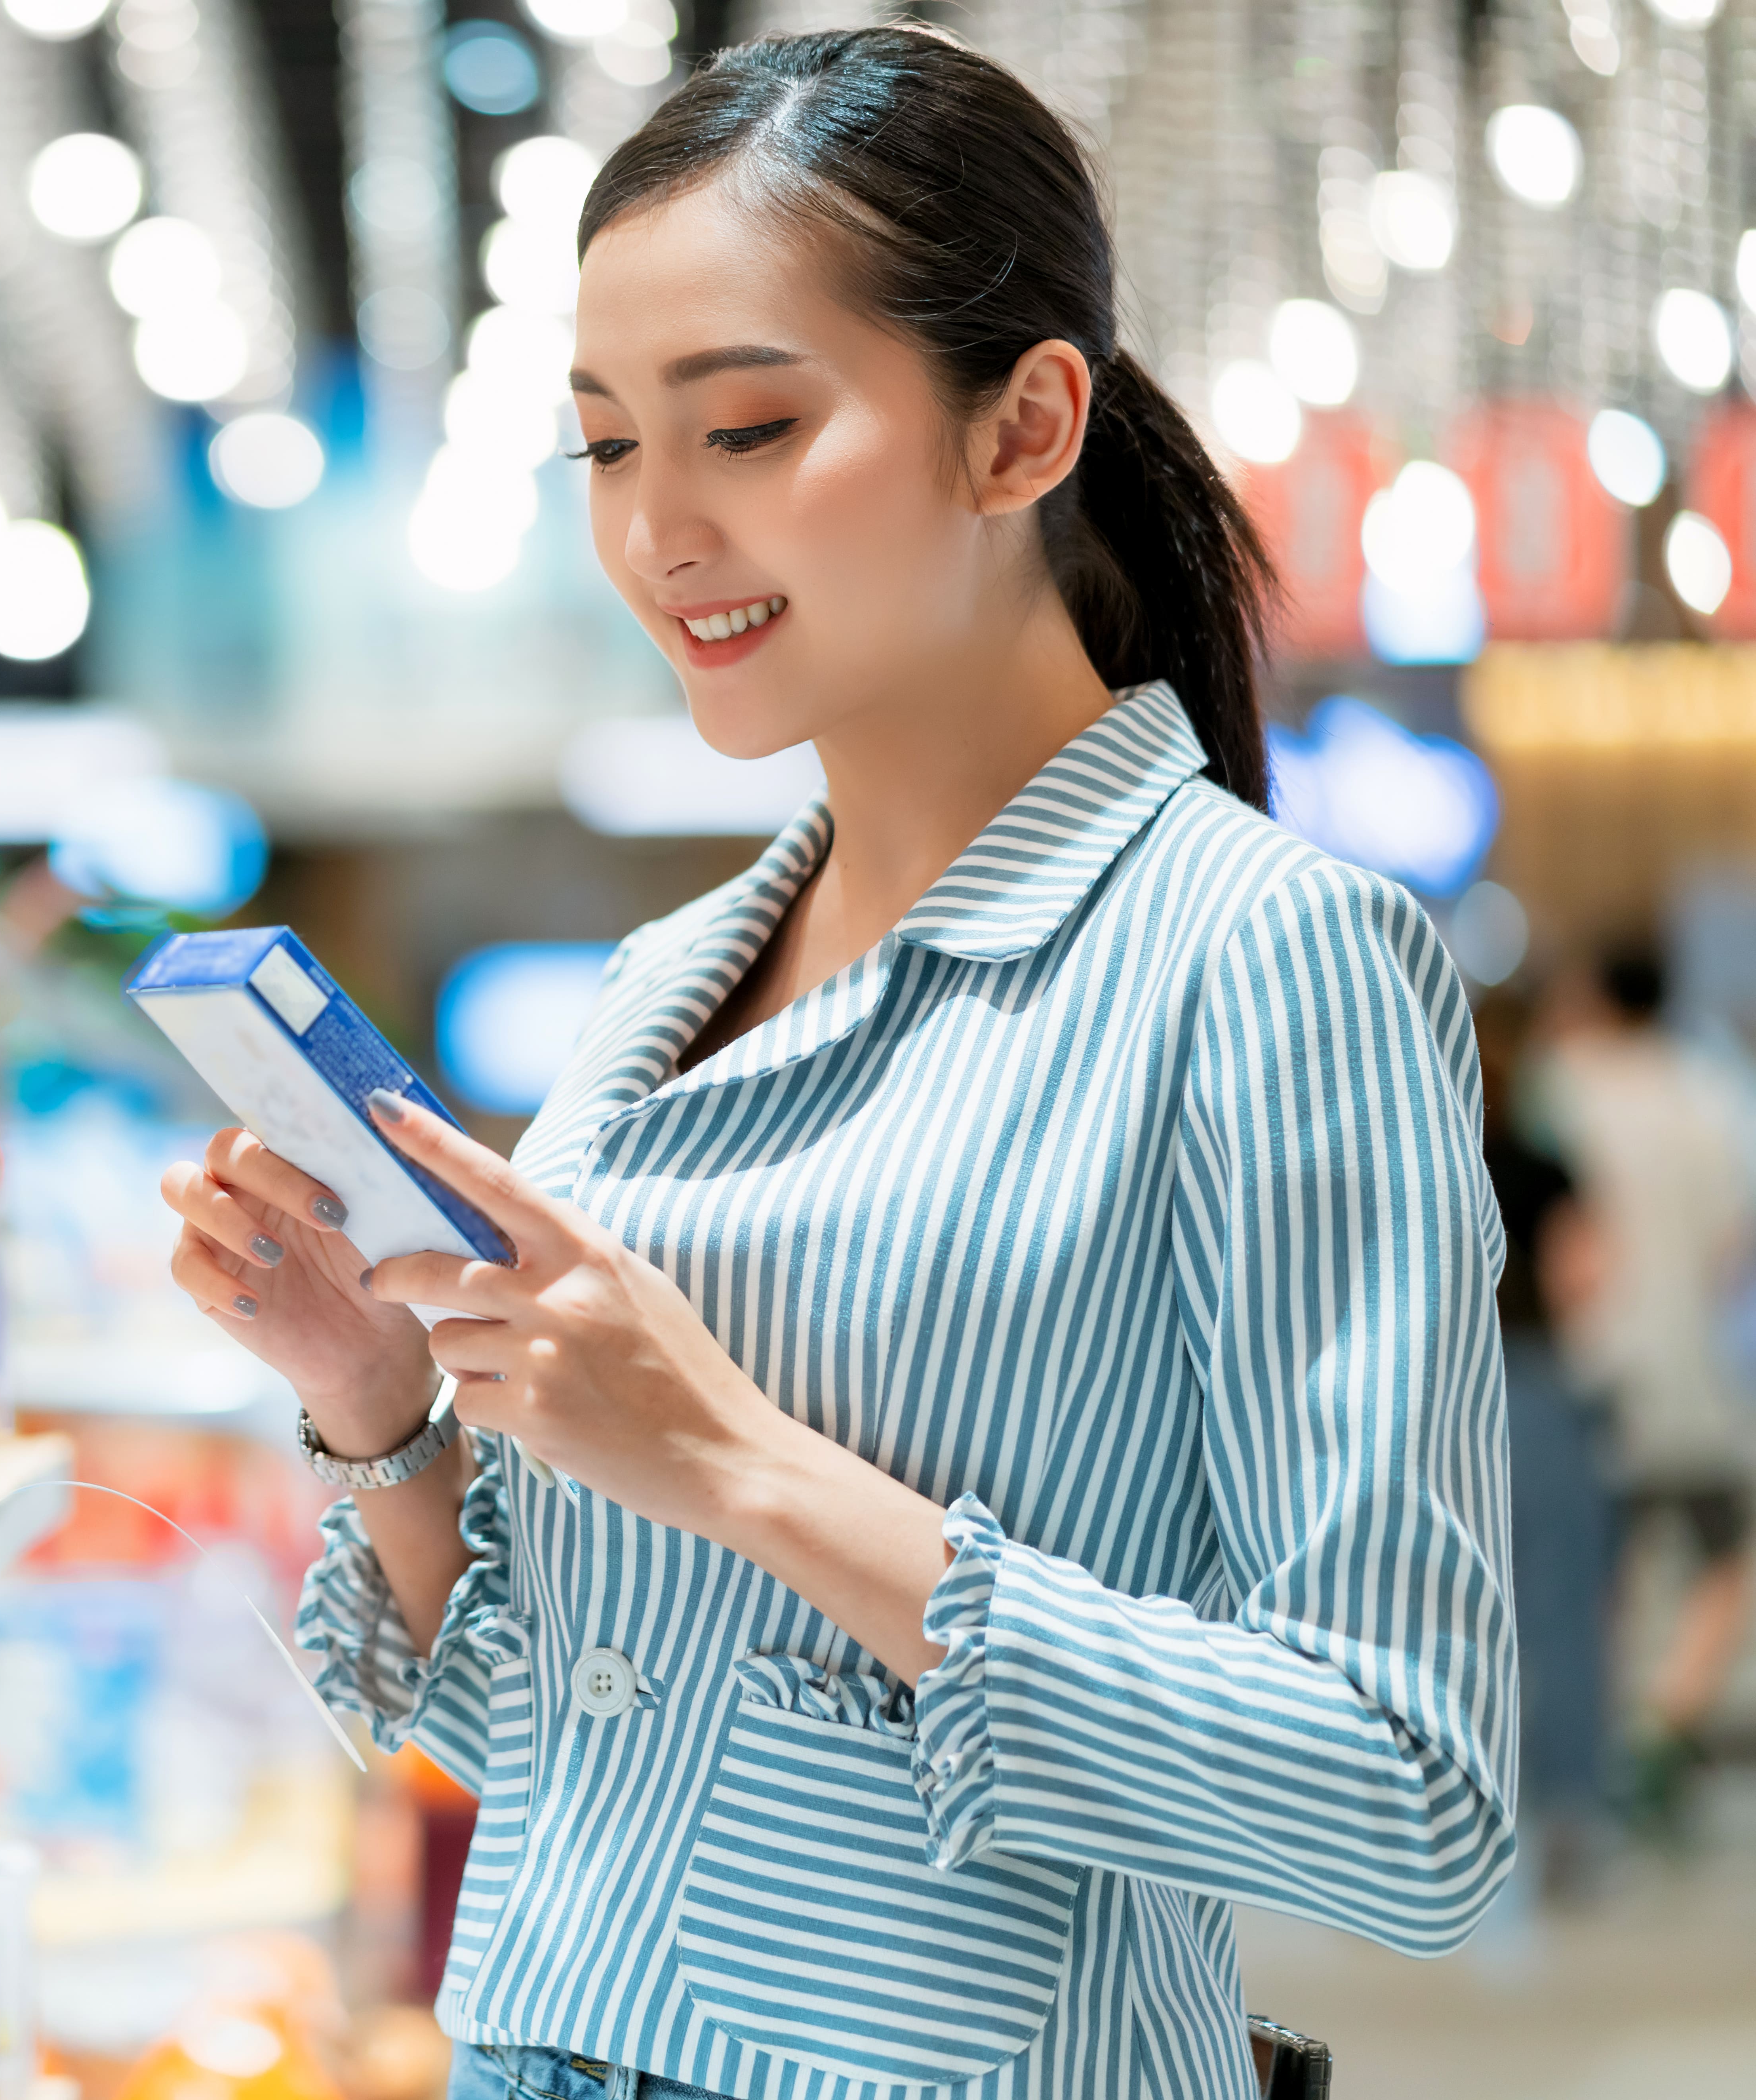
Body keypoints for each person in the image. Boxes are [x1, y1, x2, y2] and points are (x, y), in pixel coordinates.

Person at [157, 28, 1513, 2100]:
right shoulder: (658, 985)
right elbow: (539, 1743)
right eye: (610, 446)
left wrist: (742, 1463)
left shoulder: (1268, 959)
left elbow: (1412, 1793)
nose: (658, 531)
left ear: (1023, 423)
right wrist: (381, 1402)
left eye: (752, 428)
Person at [1536, 943, 1754, 1839]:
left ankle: (1603, 1746)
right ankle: (1663, 1723)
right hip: (1687, 1367)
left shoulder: (1560, 1085)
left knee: (1595, 1573)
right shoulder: (1711, 1093)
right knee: (1723, 1555)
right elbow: (1733, 1242)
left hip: (1579, 1368)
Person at [1476, 988, 1618, 1896]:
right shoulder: (1537, 1159)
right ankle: (1568, 1815)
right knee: (1562, 1605)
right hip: (1530, 1386)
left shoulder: (1412, 1146)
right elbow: (1582, 1274)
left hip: (1430, 1400)